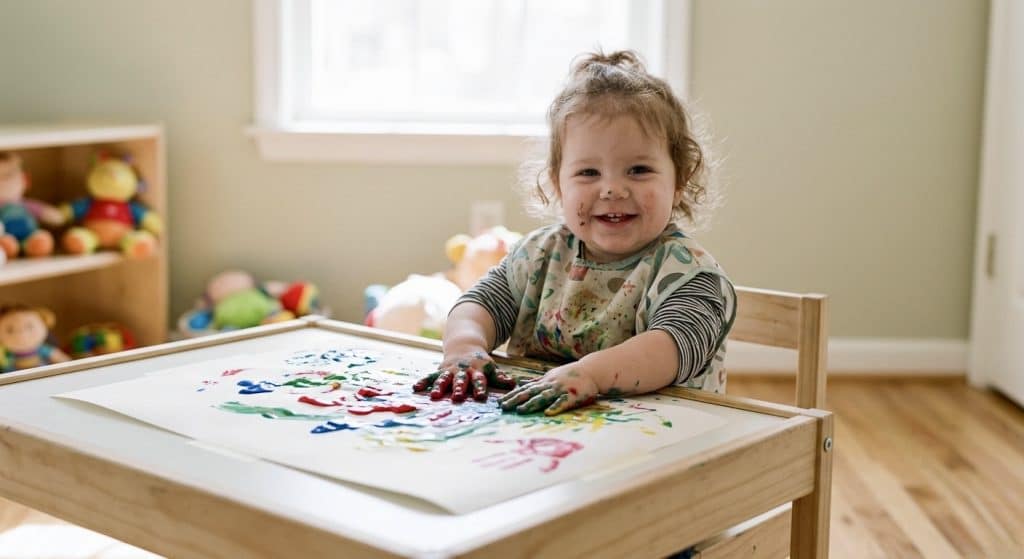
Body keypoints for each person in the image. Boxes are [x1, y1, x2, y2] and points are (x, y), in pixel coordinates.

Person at [413, 50, 736, 416]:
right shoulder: (539, 255)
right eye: (588, 173)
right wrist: (465, 346)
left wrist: (591, 375)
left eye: (639, 169)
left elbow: (671, 348)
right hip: (546, 438)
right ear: (557, 183)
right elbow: (479, 305)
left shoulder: (689, 275)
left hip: (665, 444)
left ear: (680, 180)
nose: (612, 189)